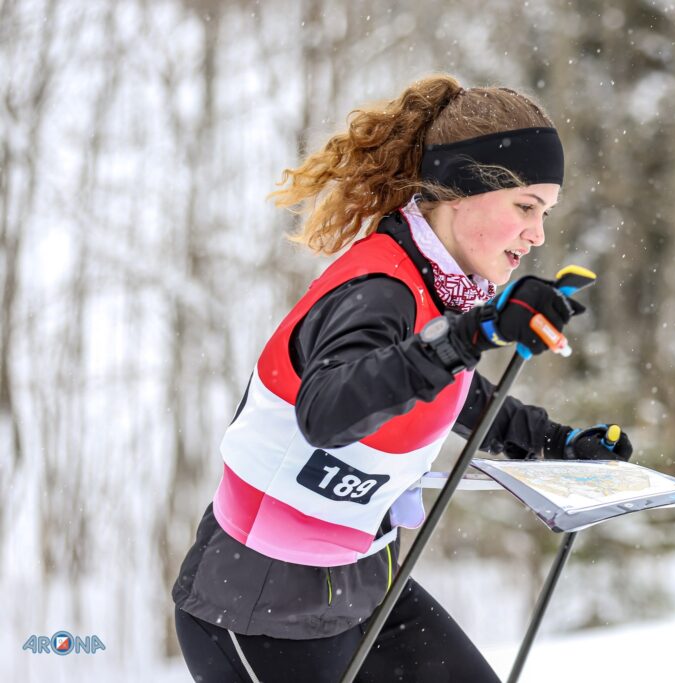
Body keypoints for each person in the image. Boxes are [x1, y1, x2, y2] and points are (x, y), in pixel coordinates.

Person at [171, 73, 633, 683]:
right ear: (462, 189)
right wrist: (472, 335)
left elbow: (444, 387)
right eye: (525, 207)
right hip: (261, 605)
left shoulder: (433, 283)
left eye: (544, 213)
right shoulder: (380, 290)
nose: (537, 234)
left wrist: (555, 442)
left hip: (363, 583)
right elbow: (330, 411)